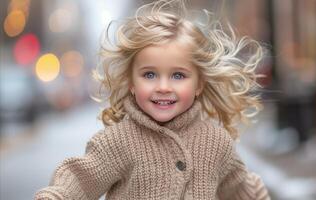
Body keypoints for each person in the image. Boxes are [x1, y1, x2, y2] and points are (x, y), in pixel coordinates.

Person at [34, 0, 270, 199]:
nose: (163, 87)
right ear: (131, 83)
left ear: (199, 84)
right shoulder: (118, 142)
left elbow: (240, 186)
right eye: (149, 74)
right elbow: (80, 178)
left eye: (178, 75)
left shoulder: (216, 142)